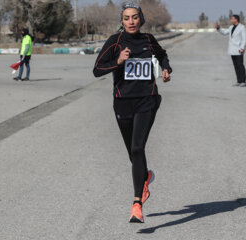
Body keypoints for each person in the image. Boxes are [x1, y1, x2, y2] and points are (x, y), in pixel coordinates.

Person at [93, 3, 172, 223]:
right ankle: (145, 176)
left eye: (135, 17)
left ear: (141, 19)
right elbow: (97, 69)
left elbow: (162, 55)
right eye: (127, 18)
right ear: (122, 20)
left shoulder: (148, 40)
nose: (131, 21)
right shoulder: (115, 42)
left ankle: (137, 203)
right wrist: (118, 61)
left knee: (138, 148)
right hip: (122, 103)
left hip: (147, 100)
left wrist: (166, 69)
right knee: (132, 153)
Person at [216, 15, 246, 87]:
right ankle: (239, 81)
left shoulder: (242, 27)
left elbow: (244, 39)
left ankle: (243, 81)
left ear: (236, 20)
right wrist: (218, 28)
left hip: (239, 49)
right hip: (232, 50)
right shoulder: (231, 27)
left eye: (232, 19)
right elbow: (224, 32)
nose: (231, 20)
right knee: (236, 66)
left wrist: (242, 47)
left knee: (240, 65)